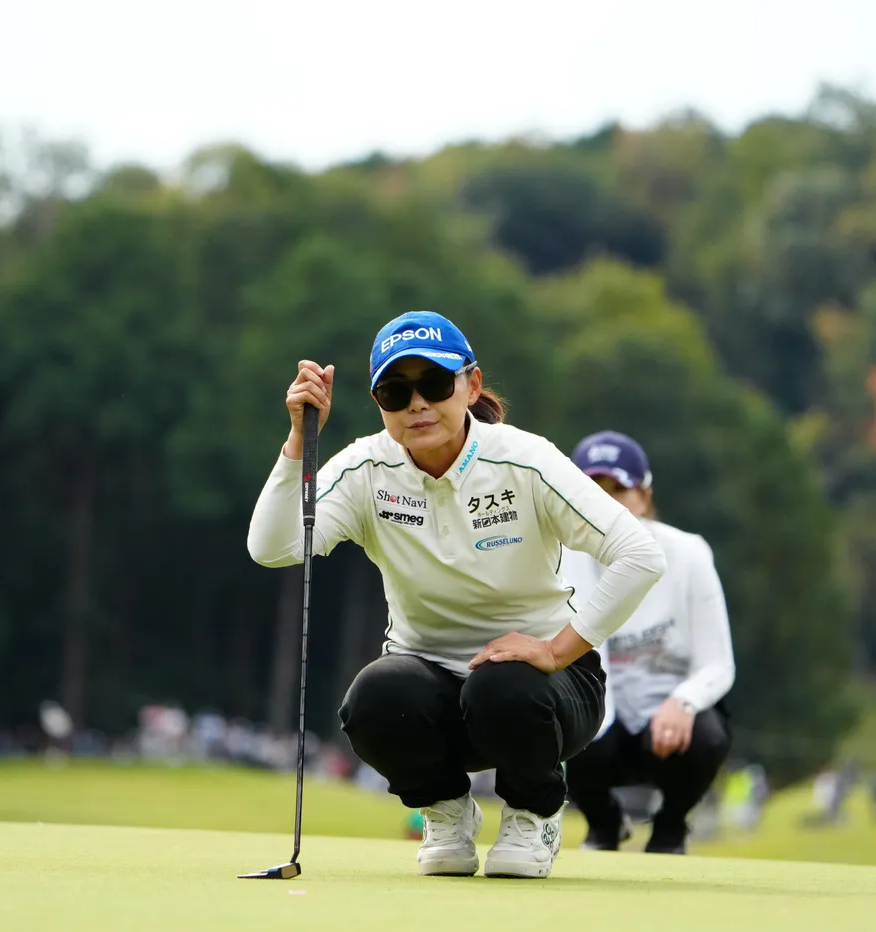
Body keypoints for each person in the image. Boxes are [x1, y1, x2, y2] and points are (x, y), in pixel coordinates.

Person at [247, 311, 668, 879]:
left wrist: (556, 650)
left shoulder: (524, 458)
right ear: (378, 404)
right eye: (396, 392)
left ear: (470, 385)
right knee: (374, 698)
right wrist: (301, 440)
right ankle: (446, 811)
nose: (417, 404)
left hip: (548, 694)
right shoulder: (366, 468)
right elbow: (272, 547)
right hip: (432, 692)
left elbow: (640, 554)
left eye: (435, 384)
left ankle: (534, 812)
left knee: (503, 685)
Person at [559, 430, 736, 855]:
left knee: (708, 734)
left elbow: (718, 665)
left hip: (668, 725)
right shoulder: (559, 559)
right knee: (555, 719)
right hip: (600, 724)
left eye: (618, 490)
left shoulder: (689, 554)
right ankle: (604, 823)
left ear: (644, 495)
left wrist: (684, 702)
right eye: (593, 490)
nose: (606, 503)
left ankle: (670, 827)